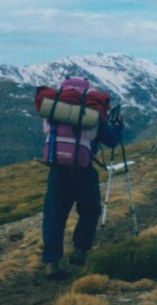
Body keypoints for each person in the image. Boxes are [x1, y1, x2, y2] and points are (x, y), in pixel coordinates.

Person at [40, 76, 122, 279]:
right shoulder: (93, 109)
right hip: (84, 171)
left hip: (57, 170)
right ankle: (80, 251)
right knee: (90, 210)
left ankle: (52, 262)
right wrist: (119, 127)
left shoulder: (54, 108)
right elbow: (111, 140)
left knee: (54, 215)